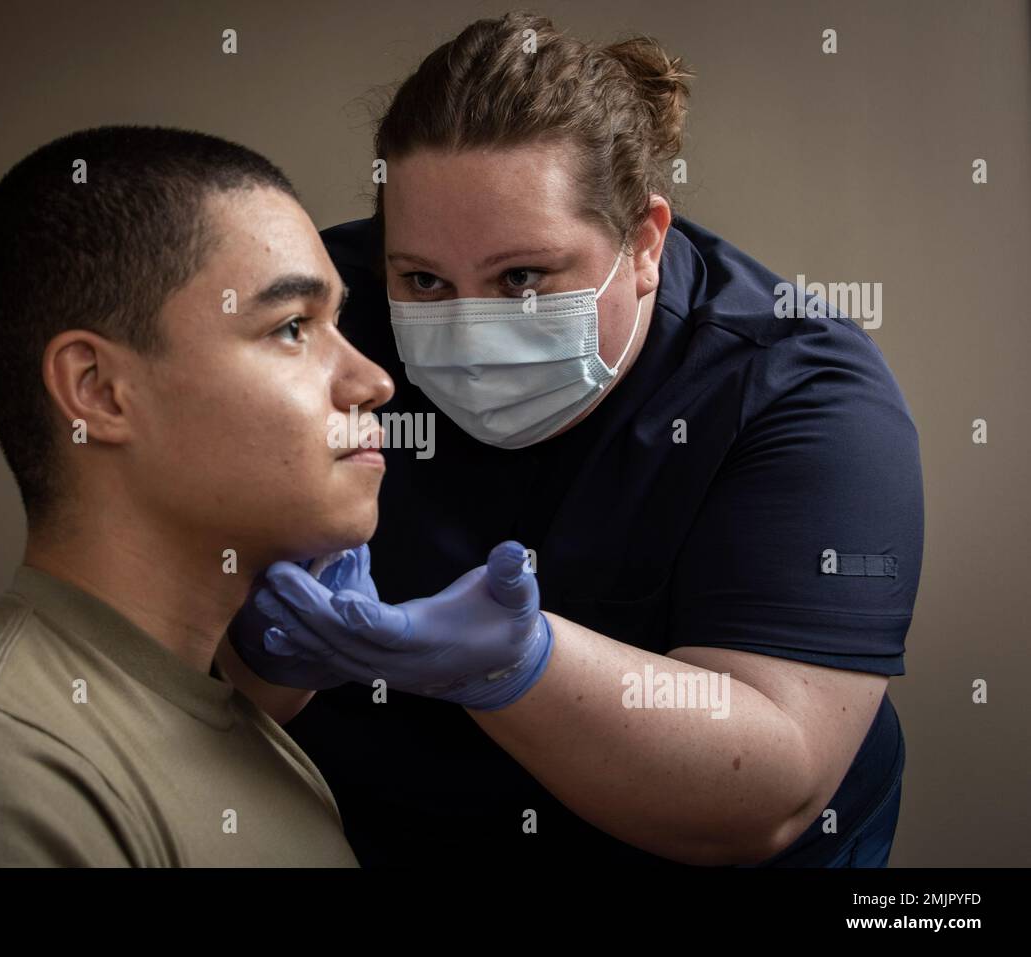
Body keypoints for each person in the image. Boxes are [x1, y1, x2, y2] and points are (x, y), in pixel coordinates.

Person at [222, 14, 922, 868]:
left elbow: (772, 789)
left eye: (522, 277)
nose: (468, 326)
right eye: (424, 279)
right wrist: (267, 648)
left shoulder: (799, 391)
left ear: (644, 243)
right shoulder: (322, 318)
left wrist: (518, 666)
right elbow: (225, 688)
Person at [0, 125, 394, 866]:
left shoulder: (247, 737)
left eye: (336, 321)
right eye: (293, 326)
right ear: (98, 391)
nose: (372, 382)